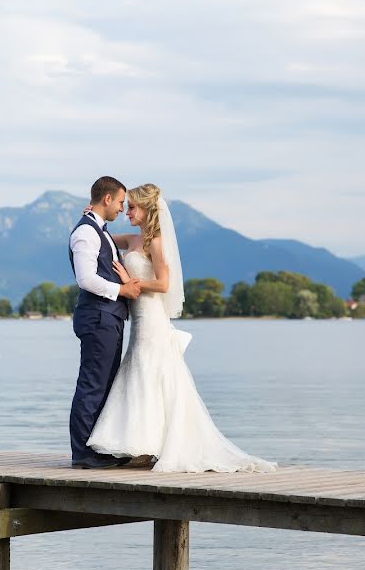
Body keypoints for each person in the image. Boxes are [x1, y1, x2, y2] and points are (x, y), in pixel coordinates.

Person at [86, 184, 276, 473]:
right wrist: (93, 216)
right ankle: (142, 445)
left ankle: (150, 447)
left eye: (133, 207)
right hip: (138, 319)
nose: (127, 212)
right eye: (126, 206)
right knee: (140, 373)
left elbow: (164, 284)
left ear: (148, 210)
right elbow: (104, 238)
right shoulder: (134, 240)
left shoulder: (157, 243)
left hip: (151, 318)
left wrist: (130, 283)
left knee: (148, 371)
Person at [68, 176, 142, 469]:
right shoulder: (86, 233)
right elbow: (85, 279)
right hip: (98, 316)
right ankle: (83, 453)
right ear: (107, 199)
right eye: (121, 202)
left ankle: (96, 447)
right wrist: (121, 290)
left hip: (107, 317)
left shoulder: (98, 230)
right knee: (92, 384)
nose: (122, 208)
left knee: (103, 383)